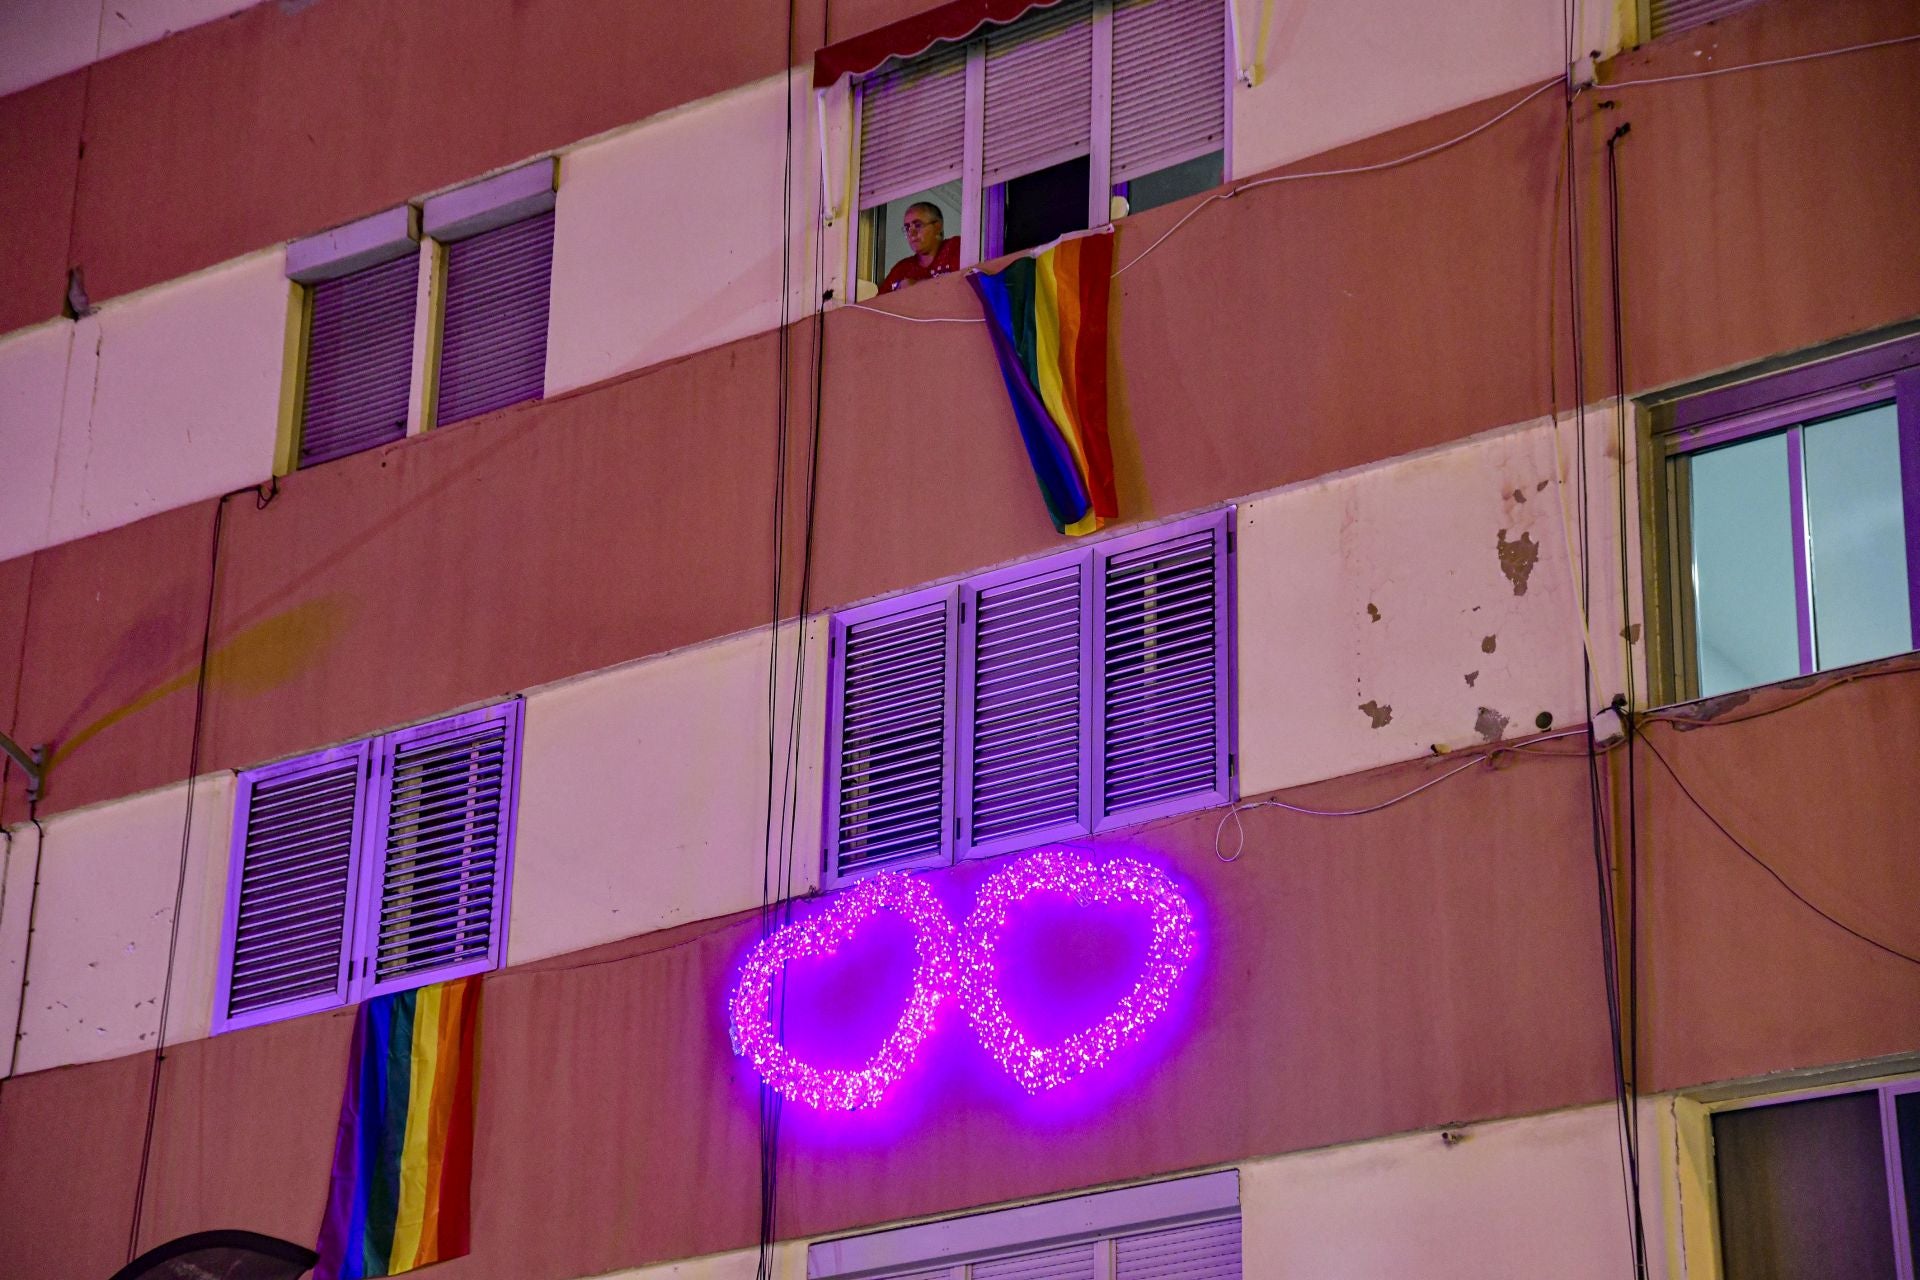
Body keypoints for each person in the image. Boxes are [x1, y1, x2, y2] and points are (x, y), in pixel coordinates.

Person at [881, 202, 961, 293]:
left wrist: (917, 286)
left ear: (938, 227)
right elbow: (876, 304)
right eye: (907, 228)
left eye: (918, 225)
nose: (911, 234)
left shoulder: (955, 247)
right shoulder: (902, 269)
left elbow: (967, 284)